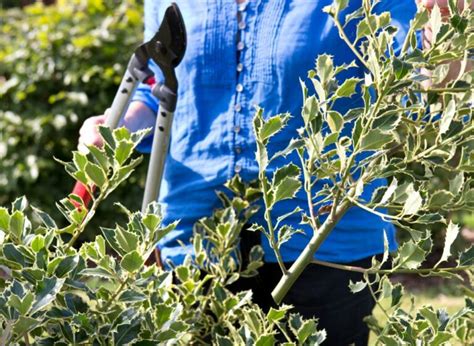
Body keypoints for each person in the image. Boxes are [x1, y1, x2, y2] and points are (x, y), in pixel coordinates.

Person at [79, 0, 463, 344]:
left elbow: (417, 87)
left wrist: (445, 29)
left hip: (324, 240)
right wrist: (122, 124)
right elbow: (162, 86)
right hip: (193, 237)